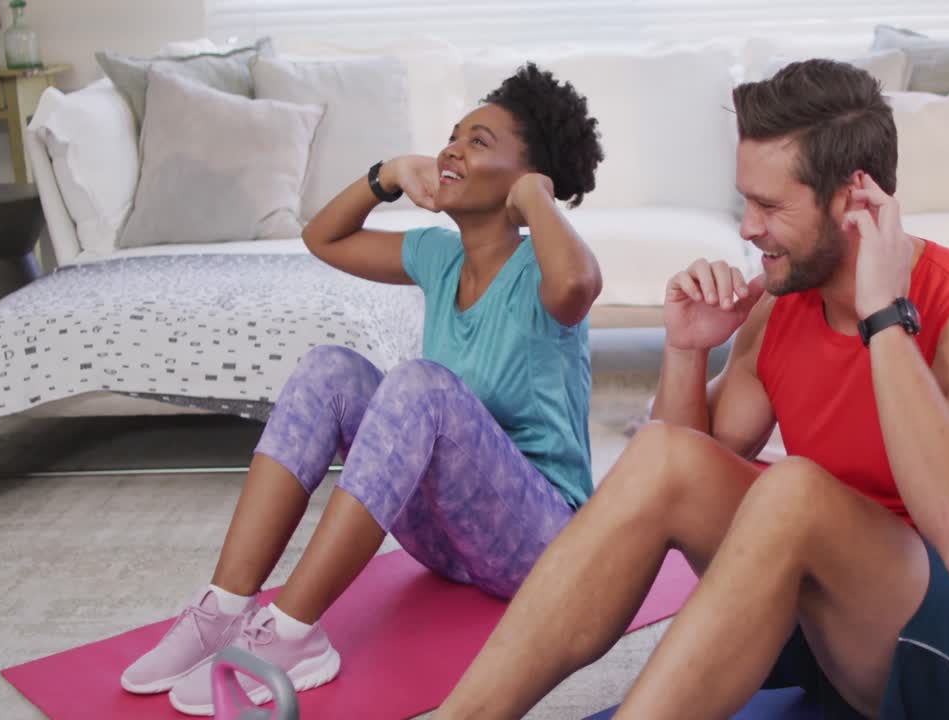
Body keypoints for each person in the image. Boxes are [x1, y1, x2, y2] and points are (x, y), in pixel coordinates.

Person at [434, 59, 949, 720]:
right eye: (744, 201)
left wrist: (885, 320)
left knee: (793, 490)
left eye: (767, 206)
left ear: (853, 199)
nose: (745, 228)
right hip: (826, 631)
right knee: (661, 453)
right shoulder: (784, 304)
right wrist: (687, 347)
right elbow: (687, 473)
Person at [119, 62, 605, 716]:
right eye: (452, 135)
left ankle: (293, 633)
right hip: (453, 544)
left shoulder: (544, 270)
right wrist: (389, 175)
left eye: (480, 141)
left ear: (526, 177)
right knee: (329, 369)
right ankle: (224, 609)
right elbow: (323, 237)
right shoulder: (440, 255)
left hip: (546, 546)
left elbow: (578, 286)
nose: (452, 149)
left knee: (419, 386)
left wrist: (538, 201)